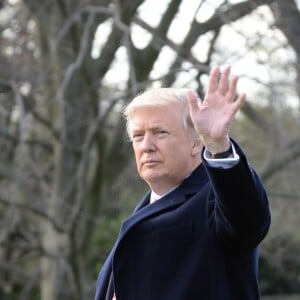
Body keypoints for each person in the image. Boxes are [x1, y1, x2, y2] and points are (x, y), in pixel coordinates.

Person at [94, 65, 271, 300]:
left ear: (196, 143)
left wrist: (218, 146)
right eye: (138, 136)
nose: (147, 145)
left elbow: (248, 221)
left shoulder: (216, 199)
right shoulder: (144, 209)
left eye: (161, 133)